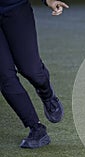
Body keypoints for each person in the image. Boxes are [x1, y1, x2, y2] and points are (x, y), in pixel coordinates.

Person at [0, 0, 69, 149]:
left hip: (14, 6)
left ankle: (46, 92)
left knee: (30, 70)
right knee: (5, 77)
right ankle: (36, 129)